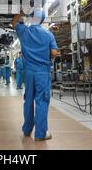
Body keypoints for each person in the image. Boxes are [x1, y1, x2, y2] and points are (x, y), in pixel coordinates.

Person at [11, 9, 60, 141]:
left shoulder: (24, 31)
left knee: (28, 100)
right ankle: (40, 134)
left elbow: (13, 22)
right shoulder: (48, 34)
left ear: (31, 17)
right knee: (42, 101)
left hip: (29, 72)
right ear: (42, 20)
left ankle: (27, 130)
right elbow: (54, 53)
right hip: (42, 72)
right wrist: (52, 55)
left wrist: (20, 12)